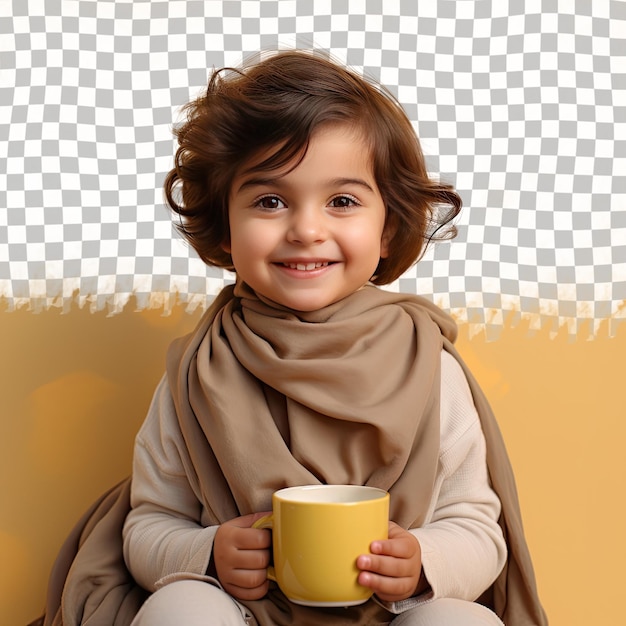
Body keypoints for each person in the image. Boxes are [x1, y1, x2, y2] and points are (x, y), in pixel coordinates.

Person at [108, 50, 546, 626]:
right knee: (177, 608)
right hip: (247, 613)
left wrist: (423, 562)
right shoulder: (200, 369)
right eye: (269, 201)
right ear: (225, 226)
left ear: (387, 227)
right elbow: (148, 524)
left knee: (463, 622)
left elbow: (477, 528)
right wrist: (206, 552)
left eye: (342, 201)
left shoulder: (426, 363)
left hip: (391, 615)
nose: (307, 229)